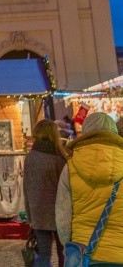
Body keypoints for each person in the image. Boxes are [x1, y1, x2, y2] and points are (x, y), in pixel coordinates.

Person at [55, 112, 123, 265]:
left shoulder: (70, 168)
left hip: (83, 254)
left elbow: (63, 217)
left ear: (86, 131)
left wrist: (69, 248)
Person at [24, 119, 67, 267]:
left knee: (43, 253)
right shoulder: (59, 158)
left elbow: (26, 187)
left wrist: (30, 215)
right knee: (64, 252)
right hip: (60, 212)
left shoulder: (30, 157)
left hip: (39, 213)